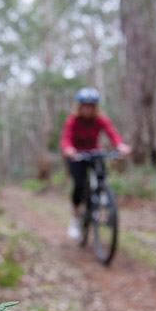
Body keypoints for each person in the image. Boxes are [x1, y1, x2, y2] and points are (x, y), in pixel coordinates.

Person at [60, 87, 132, 240]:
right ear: (79, 107)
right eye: (85, 105)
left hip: (94, 153)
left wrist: (120, 145)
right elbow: (66, 139)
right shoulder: (72, 121)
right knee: (79, 184)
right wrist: (69, 149)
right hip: (77, 155)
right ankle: (75, 220)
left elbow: (112, 134)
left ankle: (102, 200)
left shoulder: (100, 119)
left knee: (102, 176)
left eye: (92, 105)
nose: (89, 108)